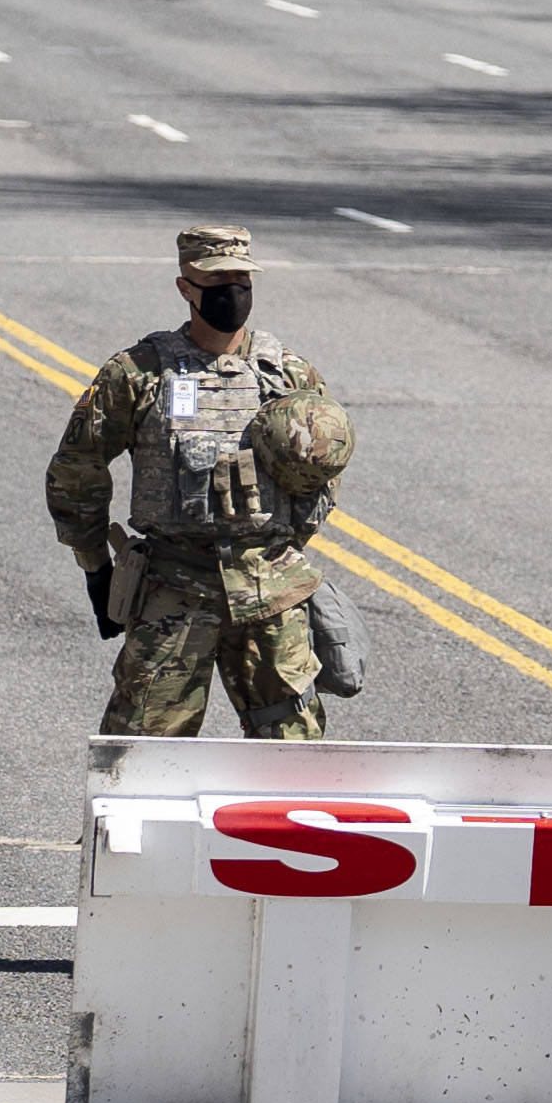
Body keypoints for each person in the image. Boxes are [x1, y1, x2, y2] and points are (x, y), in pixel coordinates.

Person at [44, 226, 359, 738]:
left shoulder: (287, 375)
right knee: (144, 751)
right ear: (185, 287)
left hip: (271, 591)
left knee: (292, 751)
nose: (231, 292)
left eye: (241, 279)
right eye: (216, 280)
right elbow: (77, 468)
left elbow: (326, 465)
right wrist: (96, 567)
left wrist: (286, 544)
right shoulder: (140, 374)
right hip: (173, 585)